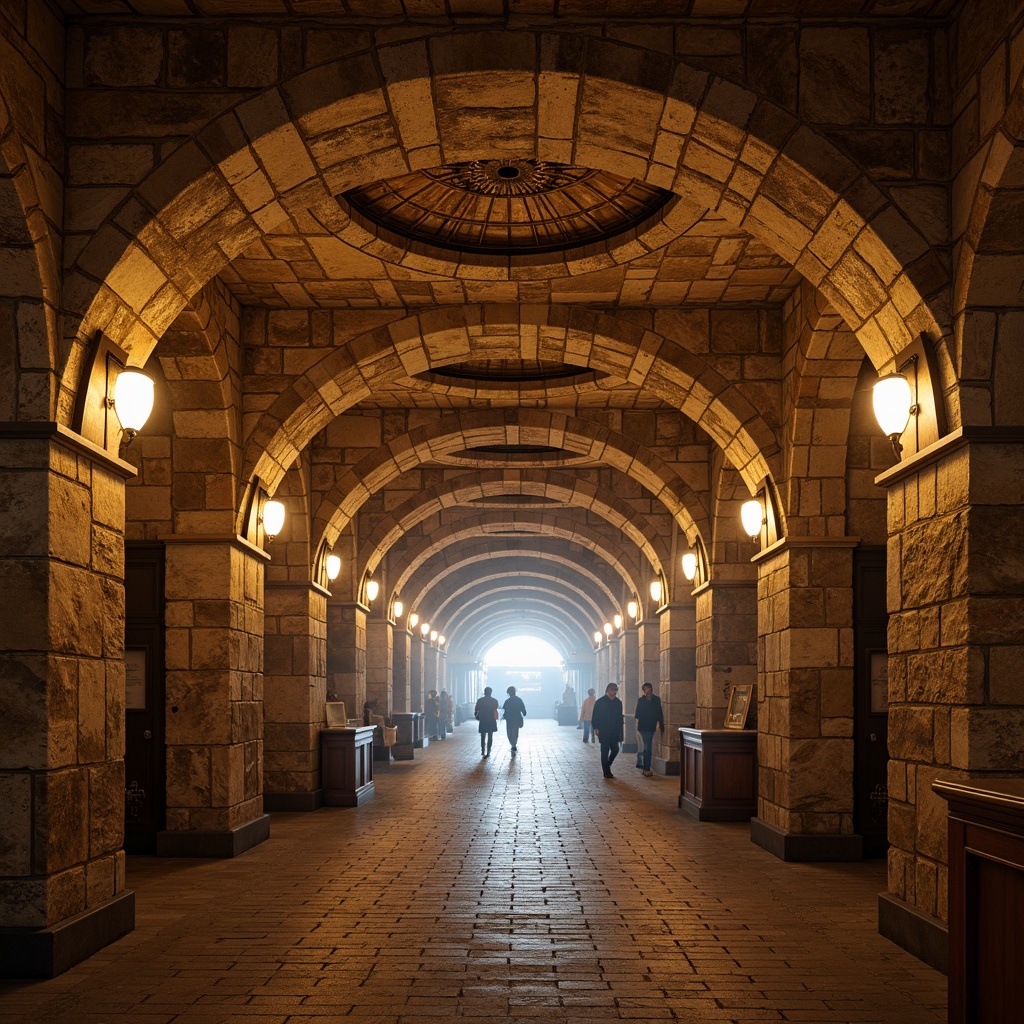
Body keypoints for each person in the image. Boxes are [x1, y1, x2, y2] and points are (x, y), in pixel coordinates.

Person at [591, 682, 624, 778]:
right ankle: (606, 771)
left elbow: (619, 717)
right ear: (607, 690)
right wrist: (596, 727)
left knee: (615, 749)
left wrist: (620, 730)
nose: (614, 692)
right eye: (612, 690)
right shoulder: (600, 702)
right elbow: (595, 716)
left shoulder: (618, 702)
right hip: (603, 730)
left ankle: (608, 763)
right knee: (604, 751)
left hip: (614, 730)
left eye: (615, 690)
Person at [634, 681, 665, 777]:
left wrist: (661, 722)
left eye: (650, 688)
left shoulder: (656, 699)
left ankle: (642, 763)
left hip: (651, 726)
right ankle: (646, 768)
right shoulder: (641, 700)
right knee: (647, 747)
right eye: (646, 689)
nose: (649, 691)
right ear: (644, 691)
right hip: (643, 726)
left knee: (647, 747)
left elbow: (659, 711)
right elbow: (637, 714)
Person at [474, 686, 499, 757]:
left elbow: (476, 710)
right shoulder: (494, 701)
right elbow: (495, 708)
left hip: (483, 719)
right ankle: (488, 750)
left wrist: (477, 715)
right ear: (491, 692)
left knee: (483, 735)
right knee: (490, 735)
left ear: (484, 692)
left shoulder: (480, 700)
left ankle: (482, 750)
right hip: (491, 719)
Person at [501, 685, 527, 755]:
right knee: (515, 731)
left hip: (509, 719)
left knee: (509, 732)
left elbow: (505, 710)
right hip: (517, 718)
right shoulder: (519, 700)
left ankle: (512, 744)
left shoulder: (507, 701)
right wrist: (523, 713)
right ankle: (514, 744)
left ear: (509, 693)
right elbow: (523, 710)